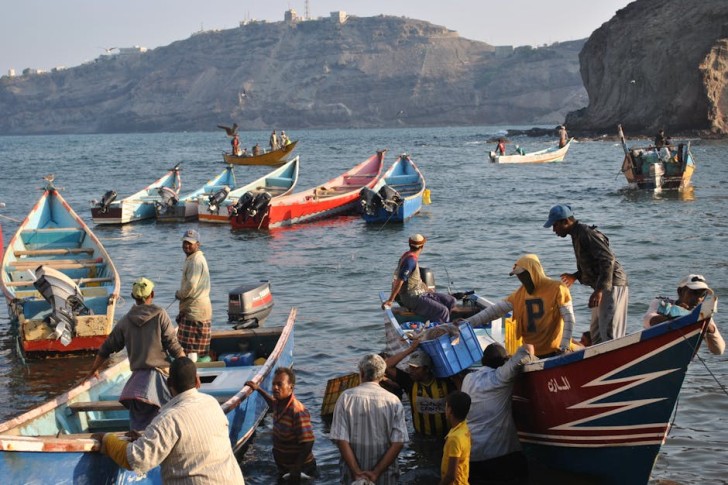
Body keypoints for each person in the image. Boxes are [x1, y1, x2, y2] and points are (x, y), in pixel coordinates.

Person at [93, 357, 245, 485]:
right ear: (198, 381)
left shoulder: (168, 419)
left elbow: (136, 459)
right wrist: (146, 440)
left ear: (169, 384)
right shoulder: (212, 403)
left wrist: (107, 440)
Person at [88, 277, 185, 431]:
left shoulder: (125, 321)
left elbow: (106, 348)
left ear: (134, 297)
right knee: (167, 423)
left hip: (136, 386)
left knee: (139, 428)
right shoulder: (160, 314)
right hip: (159, 380)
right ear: (151, 294)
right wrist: (189, 371)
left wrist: (94, 370)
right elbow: (174, 346)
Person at [544, 204, 629, 345]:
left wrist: (600, 290)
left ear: (566, 221)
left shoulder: (586, 233)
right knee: (595, 334)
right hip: (601, 287)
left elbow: (607, 260)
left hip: (612, 285)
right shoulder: (576, 234)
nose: (554, 230)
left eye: (555, 225)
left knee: (609, 334)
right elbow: (593, 263)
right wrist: (576, 276)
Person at [465, 254, 575, 358]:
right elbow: (494, 311)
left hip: (554, 350)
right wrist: (467, 323)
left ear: (534, 271)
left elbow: (569, 318)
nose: (521, 279)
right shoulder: (520, 294)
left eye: (524, 275)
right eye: (518, 276)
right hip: (530, 352)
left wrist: (564, 346)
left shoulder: (557, 288)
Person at [461, 343, 535, 484]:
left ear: (483, 361)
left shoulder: (468, 379)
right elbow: (527, 348)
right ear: (503, 362)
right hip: (501, 456)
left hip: (471, 457)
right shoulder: (500, 377)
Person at [330, 353, 408, 485]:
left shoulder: (346, 398)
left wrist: (356, 472)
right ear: (382, 376)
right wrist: (376, 473)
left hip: (353, 478)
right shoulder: (393, 401)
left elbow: (341, 439)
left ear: (361, 372)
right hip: (385, 477)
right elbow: (398, 443)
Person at [246, 368, 318, 483]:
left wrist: (297, 467)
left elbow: (308, 442)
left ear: (291, 387)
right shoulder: (279, 404)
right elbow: (272, 403)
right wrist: (258, 389)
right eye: (274, 384)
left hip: (302, 470)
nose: (275, 387)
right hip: (284, 468)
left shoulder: (297, 411)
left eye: (279, 384)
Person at [385, 342, 457, 438]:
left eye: (416, 368)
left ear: (426, 369)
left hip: (445, 436)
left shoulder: (445, 381)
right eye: (410, 367)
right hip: (421, 437)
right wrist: (411, 349)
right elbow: (386, 366)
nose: (411, 371)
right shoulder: (409, 382)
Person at [381, 234, 457, 324]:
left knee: (451, 301)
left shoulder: (409, 256)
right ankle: (439, 331)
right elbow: (399, 281)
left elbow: (415, 279)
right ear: (422, 246)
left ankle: (436, 321)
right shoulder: (410, 261)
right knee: (443, 311)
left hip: (421, 293)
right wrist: (390, 300)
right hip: (412, 297)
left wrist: (427, 289)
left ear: (410, 245)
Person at [643, 274, 724, 355]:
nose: (699, 298)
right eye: (694, 292)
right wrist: (678, 313)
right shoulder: (662, 303)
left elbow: (719, 350)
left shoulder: (702, 315)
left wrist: (708, 327)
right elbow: (648, 320)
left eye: (703, 294)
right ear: (680, 291)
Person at [176, 229, 212, 361]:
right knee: (194, 348)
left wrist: (180, 294)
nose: (186, 245)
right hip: (196, 309)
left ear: (198, 244)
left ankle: (191, 373)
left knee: (190, 348)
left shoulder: (196, 261)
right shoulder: (192, 258)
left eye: (190, 243)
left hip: (195, 310)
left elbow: (191, 284)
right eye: (185, 242)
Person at [439, 391, 471, 485]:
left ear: (450, 410)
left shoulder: (454, 439)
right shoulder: (464, 427)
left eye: (446, 406)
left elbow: (451, 475)